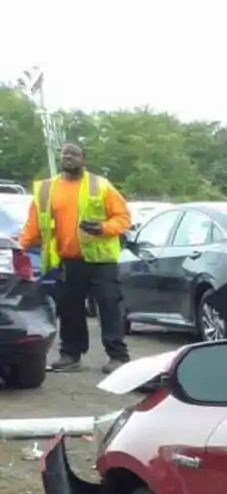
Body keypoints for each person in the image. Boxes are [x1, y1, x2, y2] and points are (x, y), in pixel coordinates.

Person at [18, 143, 131, 372]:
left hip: (101, 261)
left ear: (83, 159)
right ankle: (70, 355)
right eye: (65, 153)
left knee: (108, 306)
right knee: (70, 308)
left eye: (74, 154)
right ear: (61, 158)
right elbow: (34, 225)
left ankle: (117, 357)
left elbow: (123, 217)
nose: (69, 156)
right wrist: (19, 246)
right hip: (68, 259)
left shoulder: (100, 185)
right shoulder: (47, 189)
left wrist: (103, 227)